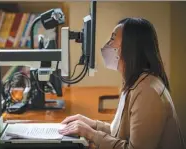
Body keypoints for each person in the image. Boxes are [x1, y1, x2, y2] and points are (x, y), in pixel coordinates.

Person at [58, 18, 185, 149]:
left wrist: (91, 134)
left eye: (113, 39)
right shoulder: (136, 83)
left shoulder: (148, 92)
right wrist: (92, 125)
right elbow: (119, 133)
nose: (107, 44)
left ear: (130, 48)